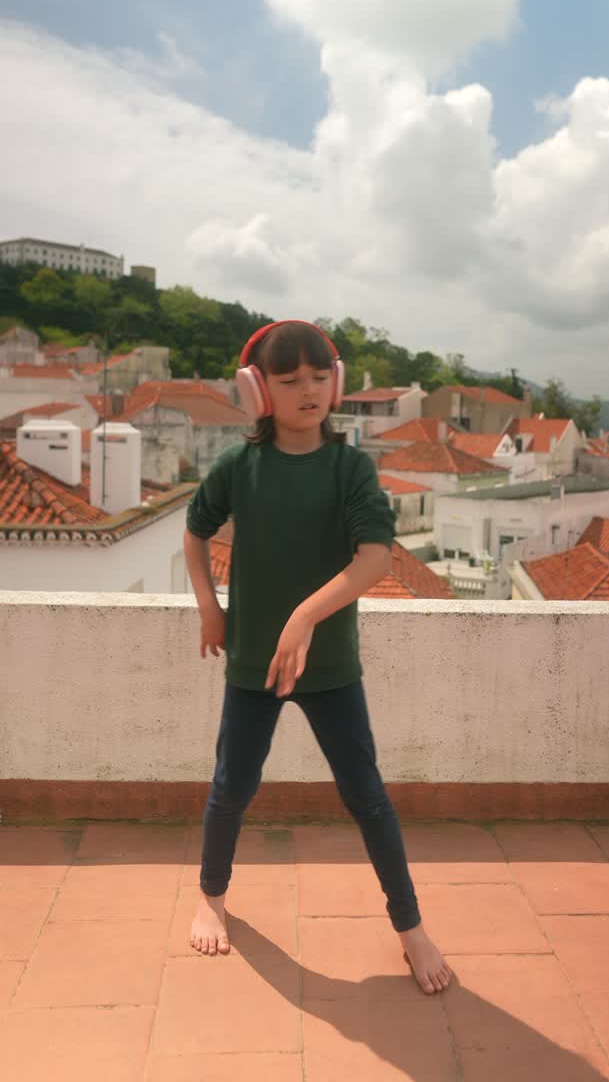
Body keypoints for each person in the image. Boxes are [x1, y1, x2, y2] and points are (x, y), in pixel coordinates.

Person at [183, 319, 452, 994]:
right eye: (288, 379)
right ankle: (211, 896)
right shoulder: (237, 467)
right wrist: (211, 608)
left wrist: (304, 616)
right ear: (258, 390)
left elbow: (374, 558)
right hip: (251, 662)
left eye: (317, 376)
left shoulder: (349, 467)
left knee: (367, 797)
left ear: (334, 381)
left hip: (329, 665)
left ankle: (411, 927)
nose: (306, 389)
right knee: (232, 788)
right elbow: (194, 532)